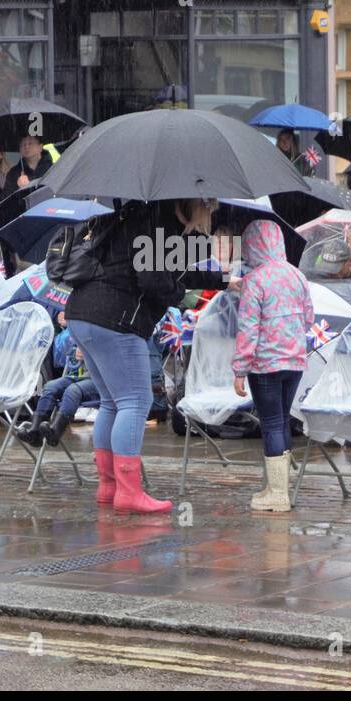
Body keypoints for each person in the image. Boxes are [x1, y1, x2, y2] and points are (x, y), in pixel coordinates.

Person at [65, 198, 225, 514]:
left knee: (112, 402)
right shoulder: (156, 222)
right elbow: (155, 281)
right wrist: (184, 298)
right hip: (115, 317)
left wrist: (222, 281)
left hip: (82, 312)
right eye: (210, 205)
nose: (214, 211)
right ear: (195, 202)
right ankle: (129, 491)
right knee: (135, 402)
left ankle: (109, 487)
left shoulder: (139, 216)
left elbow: (173, 272)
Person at [231, 219, 315, 513]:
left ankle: (278, 494)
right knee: (281, 420)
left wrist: (240, 369)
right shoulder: (297, 275)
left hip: (265, 363)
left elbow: (248, 329)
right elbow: (308, 318)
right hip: (294, 361)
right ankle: (278, 487)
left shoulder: (255, 280)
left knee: (270, 423)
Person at [15, 345, 99, 448]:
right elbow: (68, 351)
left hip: (101, 380)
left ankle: (56, 431)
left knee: (72, 390)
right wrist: (75, 351)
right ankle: (35, 432)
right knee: (50, 387)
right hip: (80, 375)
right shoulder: (83, 332)